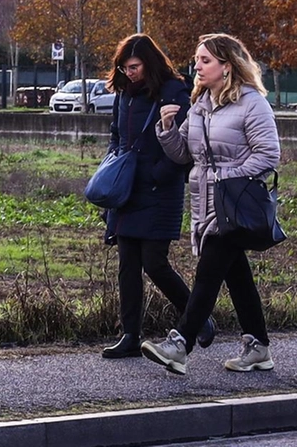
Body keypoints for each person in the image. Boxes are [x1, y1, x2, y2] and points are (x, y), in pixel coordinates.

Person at [141, 33, 282, 375]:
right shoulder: (203, 104)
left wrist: (227, 176)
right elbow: (184, 155)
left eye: (205, 60)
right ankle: (258, 347)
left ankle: (180, 343)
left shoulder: (252, 103)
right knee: (236, 275)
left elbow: (269, 154)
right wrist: (167, 129)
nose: (197, 67)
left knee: (208, 273)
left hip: (234, 202)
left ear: (227, 65)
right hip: (206, 202)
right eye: (197, 60)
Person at [99, 34, 213, 358]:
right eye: (124, 68)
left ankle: (198, 318)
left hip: (160, 190)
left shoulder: (173, 91)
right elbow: (116, 135)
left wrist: (157, 174)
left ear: (148, 63)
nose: (128, 73)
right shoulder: (125, 93)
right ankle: (131, 334)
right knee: (127, 265)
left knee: (155, 263)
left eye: (133, 67)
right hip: (128, 190)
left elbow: (186, 142)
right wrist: (112, 172)